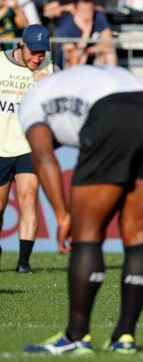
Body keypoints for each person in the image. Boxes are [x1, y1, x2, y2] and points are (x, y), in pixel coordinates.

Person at [20, 66, 143, 355]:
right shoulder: (74, 81)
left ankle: (76, 336)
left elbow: (43, 156)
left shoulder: (31, 102)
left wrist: (62, 214)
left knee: (87, 235)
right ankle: (124, 337)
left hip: (112, 114)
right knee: (139, 234)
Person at [0, 25, 53, 274]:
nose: (37, 58)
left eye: (42, 53)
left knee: (28, 198)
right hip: (1, 146)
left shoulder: (50, 70)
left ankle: (23, 262)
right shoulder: (1, 62)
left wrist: (48, 87)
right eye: (34, 52)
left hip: (28, 146)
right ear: (22, 45)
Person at [55, 0, 116, 68]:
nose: (87, 14)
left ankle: (109, 77)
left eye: (90, 10)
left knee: (110, 53)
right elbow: (74, 60)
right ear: (74, 11)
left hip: (93, 56)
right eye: (83, 11)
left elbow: (108, 44)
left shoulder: (99, 16)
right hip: (71, 65)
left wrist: (88, 51)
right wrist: (86, 32)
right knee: (77, 58)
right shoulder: (66, 25)